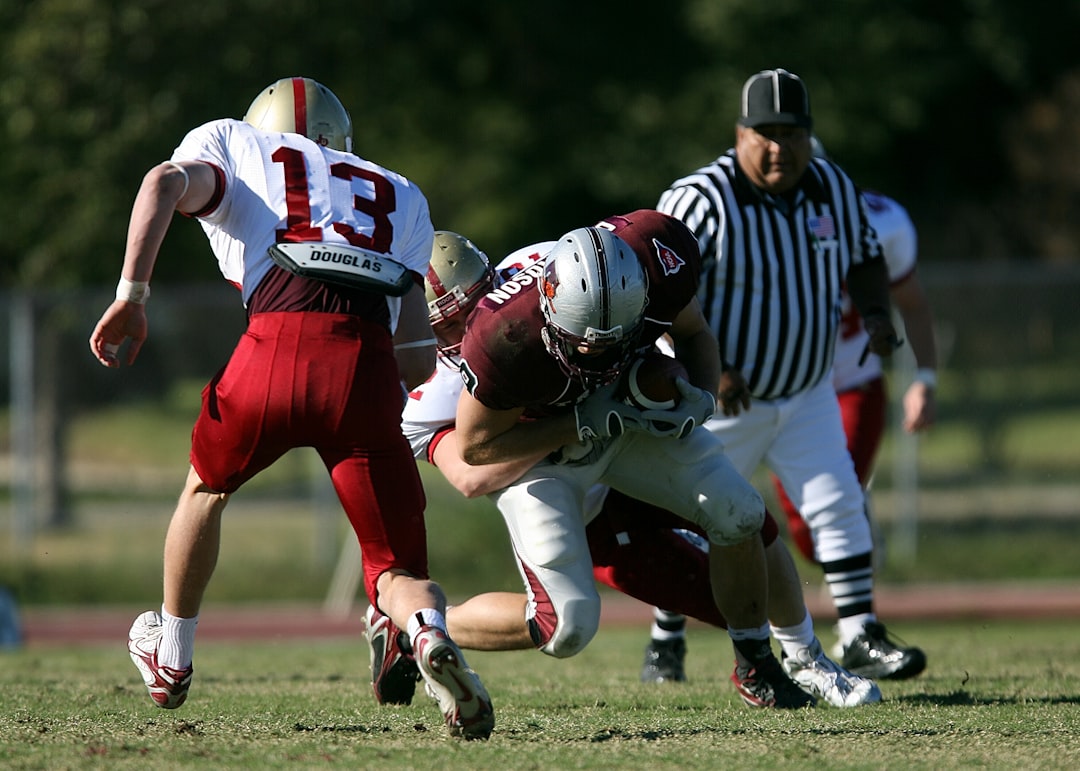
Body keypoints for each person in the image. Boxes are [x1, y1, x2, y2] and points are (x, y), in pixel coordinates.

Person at [87, 77, 494, 739]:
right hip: (363, 361)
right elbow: (418, 359)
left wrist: (133, 294)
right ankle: (426, 634)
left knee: (205, 488)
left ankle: (173, 655)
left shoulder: (238, 144)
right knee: (396, 568)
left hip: (272, 341)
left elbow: (163, 181)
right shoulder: (400, 190)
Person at [372, 223, 881, 709]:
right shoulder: (431, 394)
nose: (473, 322)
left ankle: (803, 660)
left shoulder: (554, 274)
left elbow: (653, 326)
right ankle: (423, 628)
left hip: (620, 432)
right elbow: (472, 472)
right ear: (422, 327)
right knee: (568, 625)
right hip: (557, 479)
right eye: (452, 324)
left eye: (478, 301)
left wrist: (674, 386)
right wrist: (580, 423)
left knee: (745, 518)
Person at [657, 68, 926, 681]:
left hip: (807, 390)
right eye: (766, 133)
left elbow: (863, 258)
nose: (780, 147)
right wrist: (709, 368)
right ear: (740, 133)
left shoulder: (831, 183)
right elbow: (660, 291)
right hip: (723, 398)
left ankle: (860, 633)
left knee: (838, 502)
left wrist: (880, 315)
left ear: (811, 136)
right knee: (696, 517)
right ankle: (665, 639)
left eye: (793, 133)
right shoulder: (701, 198)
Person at [771, 140, 939, 565]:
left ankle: (858, 612)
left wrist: (925, 379)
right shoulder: (744, 224)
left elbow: (913, 304)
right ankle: (852, 557)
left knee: (832, 503)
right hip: (784, 390)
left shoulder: (880, 222)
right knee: (805, 530)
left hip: (851, 380)